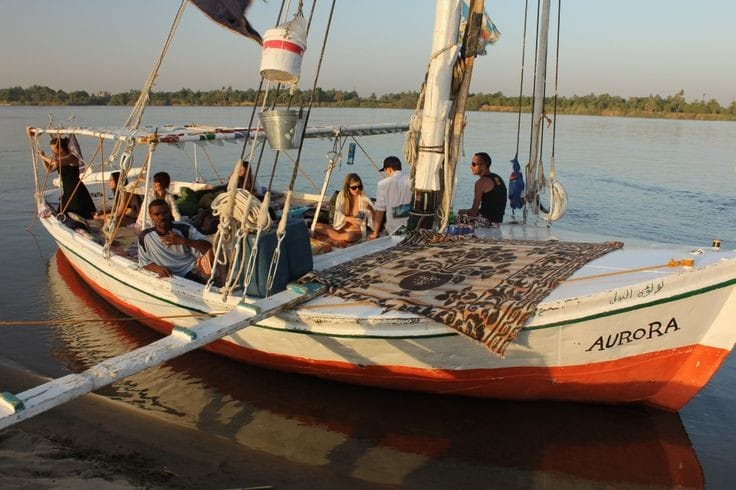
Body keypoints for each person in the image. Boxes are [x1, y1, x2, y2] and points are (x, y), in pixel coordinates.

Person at [138, 199, 223, 285]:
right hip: (170, 276)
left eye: (165, 213)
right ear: (151, 216)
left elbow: (209, 248)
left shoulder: (184, 229)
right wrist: (158, 269)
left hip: (191, 270)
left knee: (220, 250)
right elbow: (144, 262)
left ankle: (223, 284)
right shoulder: (145, 237)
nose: (162, 217)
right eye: (157, 214)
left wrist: (184, 241)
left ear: (169, 212)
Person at [38, 136, 96, 219]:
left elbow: (56, 163)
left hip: (75, 189)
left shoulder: (72, 157)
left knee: (80, 214)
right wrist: (42, 159)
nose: (52, 152)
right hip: (67, 190)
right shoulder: (59, 158)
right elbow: (49, 169)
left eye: (53, 150)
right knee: (64, 213)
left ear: (60, 148)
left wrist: (42, 156)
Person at [314, 173, 373, 244]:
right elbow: (338, 213)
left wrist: (370, 208)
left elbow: (374, 215)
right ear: (347, 187)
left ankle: (335, 237)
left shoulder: (364, 199)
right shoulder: (342, 196)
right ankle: (337, 237)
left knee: (350, 236)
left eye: (359, 187)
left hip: (355, 232)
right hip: (342, 228)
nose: (357, 189)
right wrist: (348, 219)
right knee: (316, 226)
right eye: (354, 187)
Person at [458, 152, 507, 226]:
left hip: (487, 222)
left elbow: (473, 213)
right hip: (498, 221)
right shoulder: (498, 178)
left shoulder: (481, 183)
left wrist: (463, 212)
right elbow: (491, 207)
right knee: (461, 212)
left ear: (483, 166)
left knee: (455, 219)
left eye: (474, 164)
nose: (471, 167)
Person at [368, 156, 412, 239]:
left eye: (385, 171)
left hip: (393, 231)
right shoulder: (411, 181)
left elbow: (380, 210)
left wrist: (375, 233)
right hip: (409, 228)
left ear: (389, 169)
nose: (386, 173)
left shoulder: (383, 184)